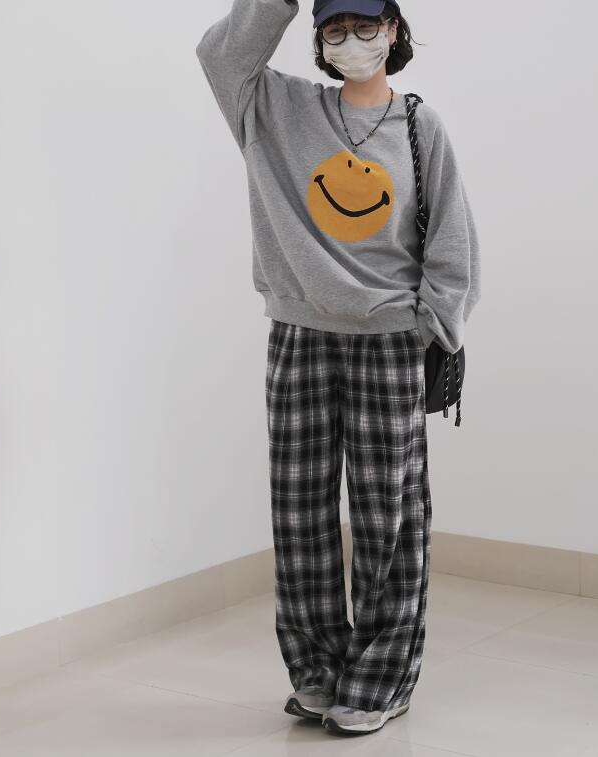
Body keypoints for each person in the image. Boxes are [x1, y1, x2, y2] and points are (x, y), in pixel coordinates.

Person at [195, 0, 481, 736]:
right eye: (335, 29)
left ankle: (381, 676)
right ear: (318, 39)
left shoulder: (419, 125)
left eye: (366, 26)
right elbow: (221, 54)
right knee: (300, 515)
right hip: (299, 335)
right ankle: (318, 671)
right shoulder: (276, 110)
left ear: (394, 31)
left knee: (389, 516)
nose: (352, 41)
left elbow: (453, 242)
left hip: (390, 341)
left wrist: (430, 327)